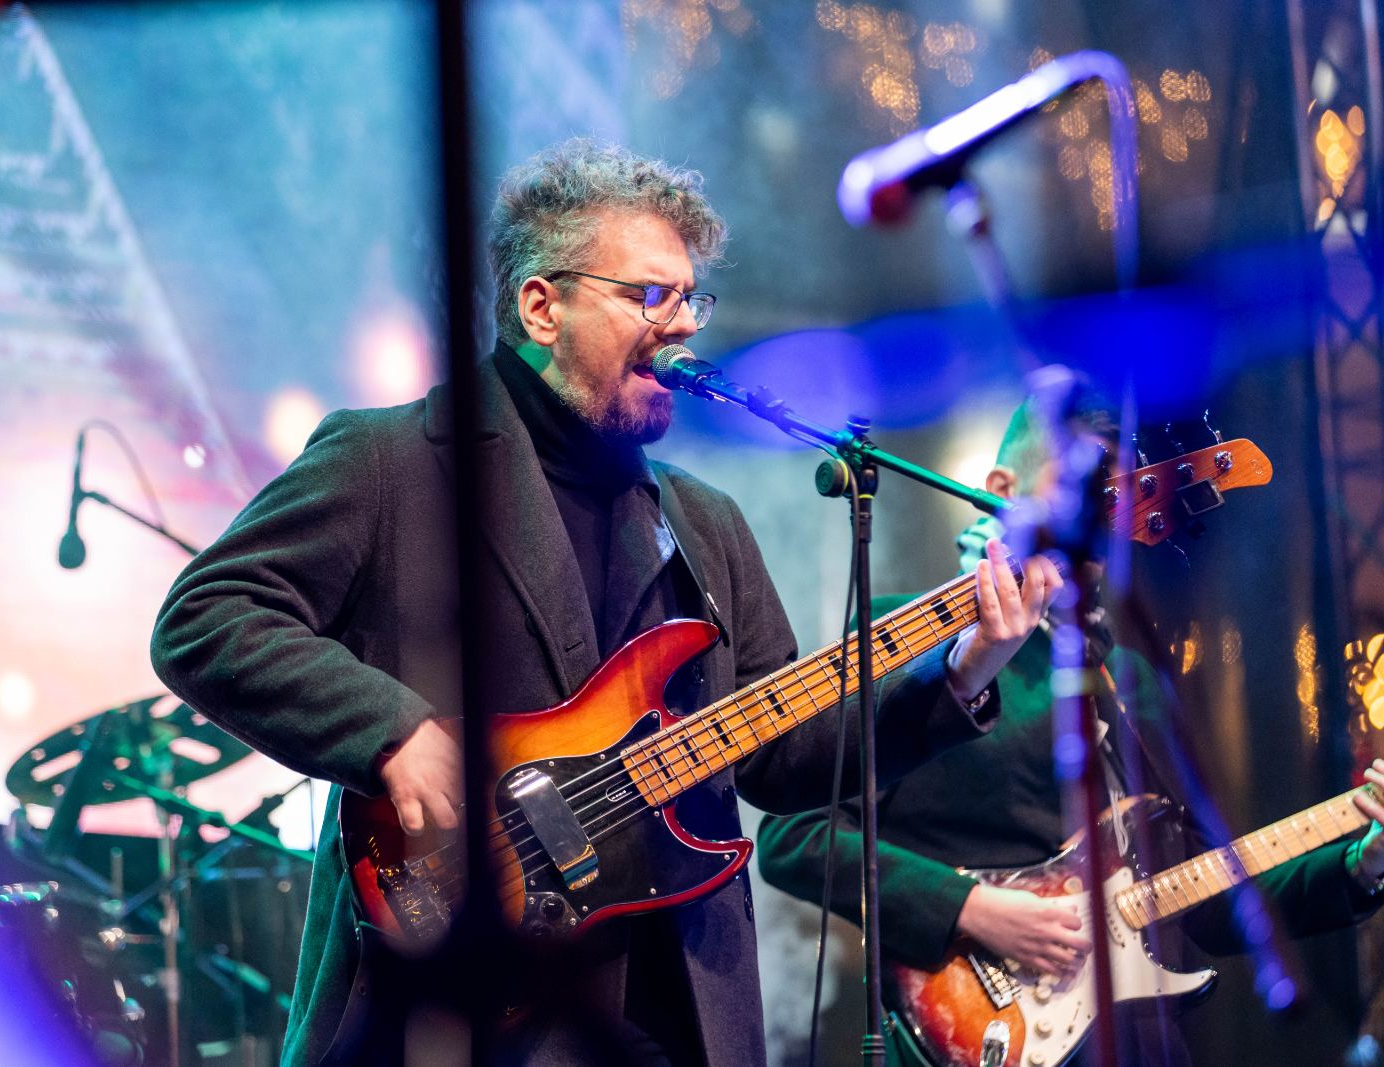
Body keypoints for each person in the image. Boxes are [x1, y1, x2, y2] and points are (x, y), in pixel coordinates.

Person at [149, 140, 1062, 1066]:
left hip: (682, 1018)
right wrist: (393, 733)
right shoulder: (390, 461)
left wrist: (964, 668)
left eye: (691, 298)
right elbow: (208, 615)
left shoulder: (705, 521)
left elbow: (787, 761)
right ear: (541, 306)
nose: (683, 325)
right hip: (464, 996)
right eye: (649, 295)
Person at [755, 401, 1384, 1067]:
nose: (1104, 510)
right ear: (1001, 489)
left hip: (1139, 1041)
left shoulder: (1128, 675)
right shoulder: (905, 634)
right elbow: (794, 834)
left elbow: (1210, 898)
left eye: (1118, 490)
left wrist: (1364, 861)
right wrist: (971, 907)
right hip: (982, 1030)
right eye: (1081, 484)